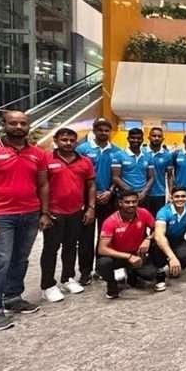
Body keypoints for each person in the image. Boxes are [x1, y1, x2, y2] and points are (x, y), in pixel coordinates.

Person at [0, 111, 50, 330]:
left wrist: (44, 213)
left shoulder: (38, 153)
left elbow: (43, 184)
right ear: (3, 125)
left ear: (28, 126)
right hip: (0, 215)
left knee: (20, 259)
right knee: (0, 261)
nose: (18, 127)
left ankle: (13, 297)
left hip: (30, 214)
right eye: (13, 123)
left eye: (23, 123)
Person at [40, 128, 96, 303]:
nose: (68, 143)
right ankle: (48, 285)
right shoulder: (46, 159)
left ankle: (67, 278)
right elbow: (41, 185)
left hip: (75, 211)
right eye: (64, 140)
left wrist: (90, 208)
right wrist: (44, 213)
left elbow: (91, 186)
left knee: (71, 246)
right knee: (51, 249)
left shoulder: (85, 161)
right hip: (53, 212)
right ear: (56, 140)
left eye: (72, 140)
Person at [75, 117, 122, 285]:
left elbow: (118, 176)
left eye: (106, 130)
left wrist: (110, 191)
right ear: (94, 131)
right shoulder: (82, 149)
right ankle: (85, 272)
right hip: (87, 200)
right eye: (100, 130)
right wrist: (91, 196)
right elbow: (77, 174)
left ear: (110, 132)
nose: (103, 133)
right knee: (86, 238)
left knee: (106, 237)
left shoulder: (117, 151)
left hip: (109, 199)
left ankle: (101, 269)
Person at [96, 190, 157, 299]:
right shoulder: (110, 221)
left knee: (150, 274)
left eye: (134, 202)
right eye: (127, 202)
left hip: (137, 253)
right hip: (118, 256)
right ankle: (112, 285)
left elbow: (158, 229)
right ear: (120, 203)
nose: (131, 205)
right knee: (103, 263)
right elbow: (102, 249)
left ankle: (132, 273)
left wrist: (148, 238)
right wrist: (129, 257)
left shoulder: (143, 213)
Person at [151, 187, 186, 291]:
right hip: (163, 240)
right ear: (171, 198)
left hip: (178, 240)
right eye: (177, 196)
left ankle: (174, 268)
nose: (180, 199)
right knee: (158, 251)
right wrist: (172, 257)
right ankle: (160, 272)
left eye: (183, 196)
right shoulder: (164, 212)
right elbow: (159, 236)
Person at [111, 127, 155, 206]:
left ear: (142, 140)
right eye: (133, 138)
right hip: (125, 196)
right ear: (128, 139)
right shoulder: (119, 155)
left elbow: (151, 177)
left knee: (143, 214)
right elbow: (115, 177)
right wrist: (132, 193)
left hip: (143, 196)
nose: (136, 140)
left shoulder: (148, 156)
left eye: (139, 138)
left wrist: (144, 192)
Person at [145, 127, 174, 216]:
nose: (156, 138)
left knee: (157, 219)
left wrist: (171, 193)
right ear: (149, 137)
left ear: (163, 139)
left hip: (159, 193)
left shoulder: (168, 155)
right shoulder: (142, 152)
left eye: (159, 136)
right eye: (154, 136)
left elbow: (170, 176)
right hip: (142, 193)